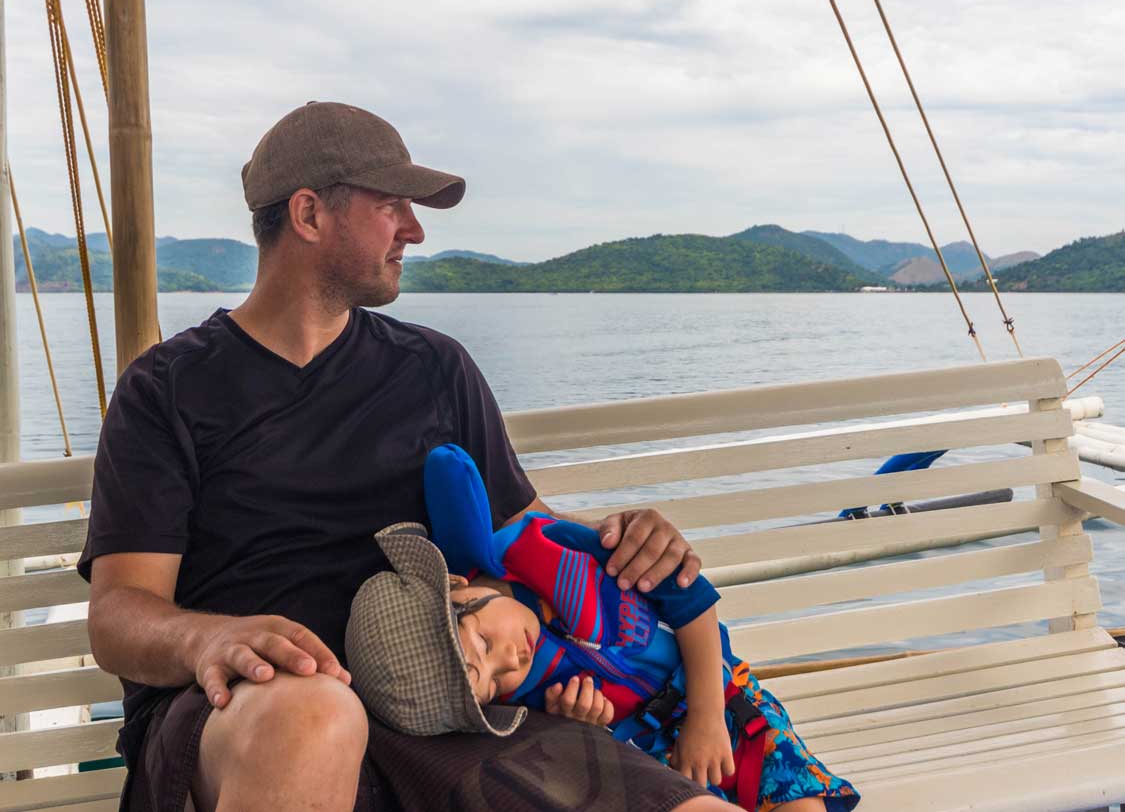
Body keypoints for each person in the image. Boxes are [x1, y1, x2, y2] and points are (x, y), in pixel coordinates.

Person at [78, 101, 741, 812]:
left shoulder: (433, 368)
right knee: (316, 712)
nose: (415, 231)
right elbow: (119, 612)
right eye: (392, 207)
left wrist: (630, 539)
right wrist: (207, 638)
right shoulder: (169, 389)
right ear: (308, 215)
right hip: (248, 712)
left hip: (452, 706)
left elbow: (525, 538)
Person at [345, 444, 860, 812]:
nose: (512, 661)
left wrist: (705, 717)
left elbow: (692, 603)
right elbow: (582, 735)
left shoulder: (549, 550)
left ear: (458, 586)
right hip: (646, 748)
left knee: (797, 799)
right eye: (492, 681)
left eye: (483, 642)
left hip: (721, 698)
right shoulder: (520, 688)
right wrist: (581, 723)